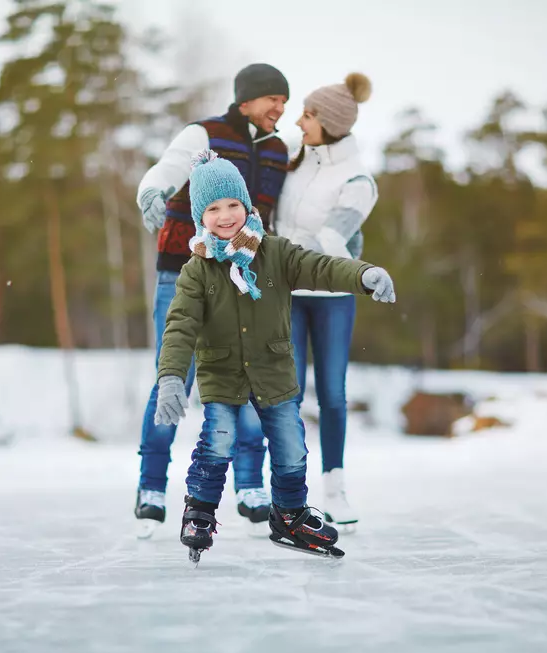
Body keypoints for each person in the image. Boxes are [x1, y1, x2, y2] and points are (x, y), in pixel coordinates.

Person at [153, 149, 396, 562]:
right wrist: (172, 376)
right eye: (213, 208)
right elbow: (180, 326)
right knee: (220, 440)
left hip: (274, 373)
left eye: (233, 204)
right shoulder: (197, 269)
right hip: (223, 375)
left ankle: (289, 515)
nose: (225, 215)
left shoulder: (276, 253)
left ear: (247, 206)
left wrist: (363, 274)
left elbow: (320, 267)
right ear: (200, 217)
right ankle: (199, 511)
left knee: (291, 447)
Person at [133, 63, 292, 536]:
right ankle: (151, 486)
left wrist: (345, 234)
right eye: (272, 100)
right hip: (183, 271)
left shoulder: (282, 149)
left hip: (244, 275)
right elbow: (167, 169)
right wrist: (152, 193)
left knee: (249, 373)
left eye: (284, 101)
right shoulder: (204, 134)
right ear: (246, 101)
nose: (280, 109)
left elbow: (307, 197)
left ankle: (249, 485)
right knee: (172, 372)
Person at [274, 73, 377, 530]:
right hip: (288, 296)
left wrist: (280, 253)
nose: (299, 121)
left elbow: (331, 241)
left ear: (331, 122)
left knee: (332, 394)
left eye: (309, 115)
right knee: (286, 393)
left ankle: (334, 488)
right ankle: (287, 490)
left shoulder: (358, 180)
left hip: (332, 296)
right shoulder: (293, 166)